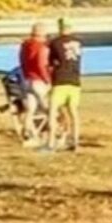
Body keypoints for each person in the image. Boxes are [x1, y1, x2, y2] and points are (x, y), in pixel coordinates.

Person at [46, 17, 82, 152]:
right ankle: (76, 141)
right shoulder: (79, 42)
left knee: (53, 110)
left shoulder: (55, 42)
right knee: (74, 112)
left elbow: (50, 62)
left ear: (60, 27)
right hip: (75, 81)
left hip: (60, 80)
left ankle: (50, 143)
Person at [18, 22, 51, 144]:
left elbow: (21, 62)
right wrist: (47, 79)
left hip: (27, 79)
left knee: (30, 109)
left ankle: (27, 131)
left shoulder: (24, 46)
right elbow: (41, 64)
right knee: (48, 109)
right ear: (42, 34)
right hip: (39, 81)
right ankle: (53, 133)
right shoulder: (41, 46)